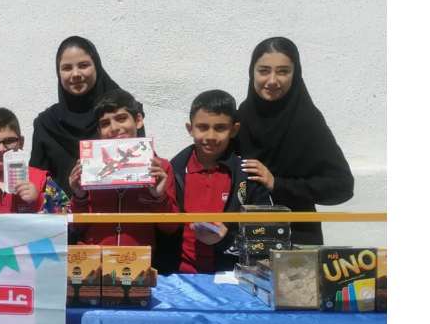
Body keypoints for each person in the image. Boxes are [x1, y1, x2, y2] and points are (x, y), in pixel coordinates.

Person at [237, 36, 354, 245]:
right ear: (252, 72)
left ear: (295, 74)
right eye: (264, 71)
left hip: (297, 239)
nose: (272, 80)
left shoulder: (307, 121)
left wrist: (278, 184)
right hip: (245, 239)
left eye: (283, 71)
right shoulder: (241, 118)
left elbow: (342, 185)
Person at [157, 90, 271, 274]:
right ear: (190, 129)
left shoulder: (248, 175)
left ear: (234, 130)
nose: (210, 136)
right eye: (202, 127)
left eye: (220, 128)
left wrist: (227, 237)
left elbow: (265, 233)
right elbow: (162, 227)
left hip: (230, 276)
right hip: (178, 275)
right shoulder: (173, 170)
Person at [30, 36, 143, 195]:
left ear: (97, 66)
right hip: (65, 210)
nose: (75, 74)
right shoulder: (46, 123)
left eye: (83, 65)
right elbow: (37, 180)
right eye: (67, 68)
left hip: (122, 207)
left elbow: (140, 164)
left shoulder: (123, 114)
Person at [68, 89, 177, 253]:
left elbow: (171, 228)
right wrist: (79, 196)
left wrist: (159, 197)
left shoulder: (160, 168)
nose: (114, 128)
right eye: (105, 123)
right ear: (99, 131)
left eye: (121, 118)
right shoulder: (89, 168)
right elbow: (76, 227)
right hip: (93, 259)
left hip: (137, 260)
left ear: (138, 120)